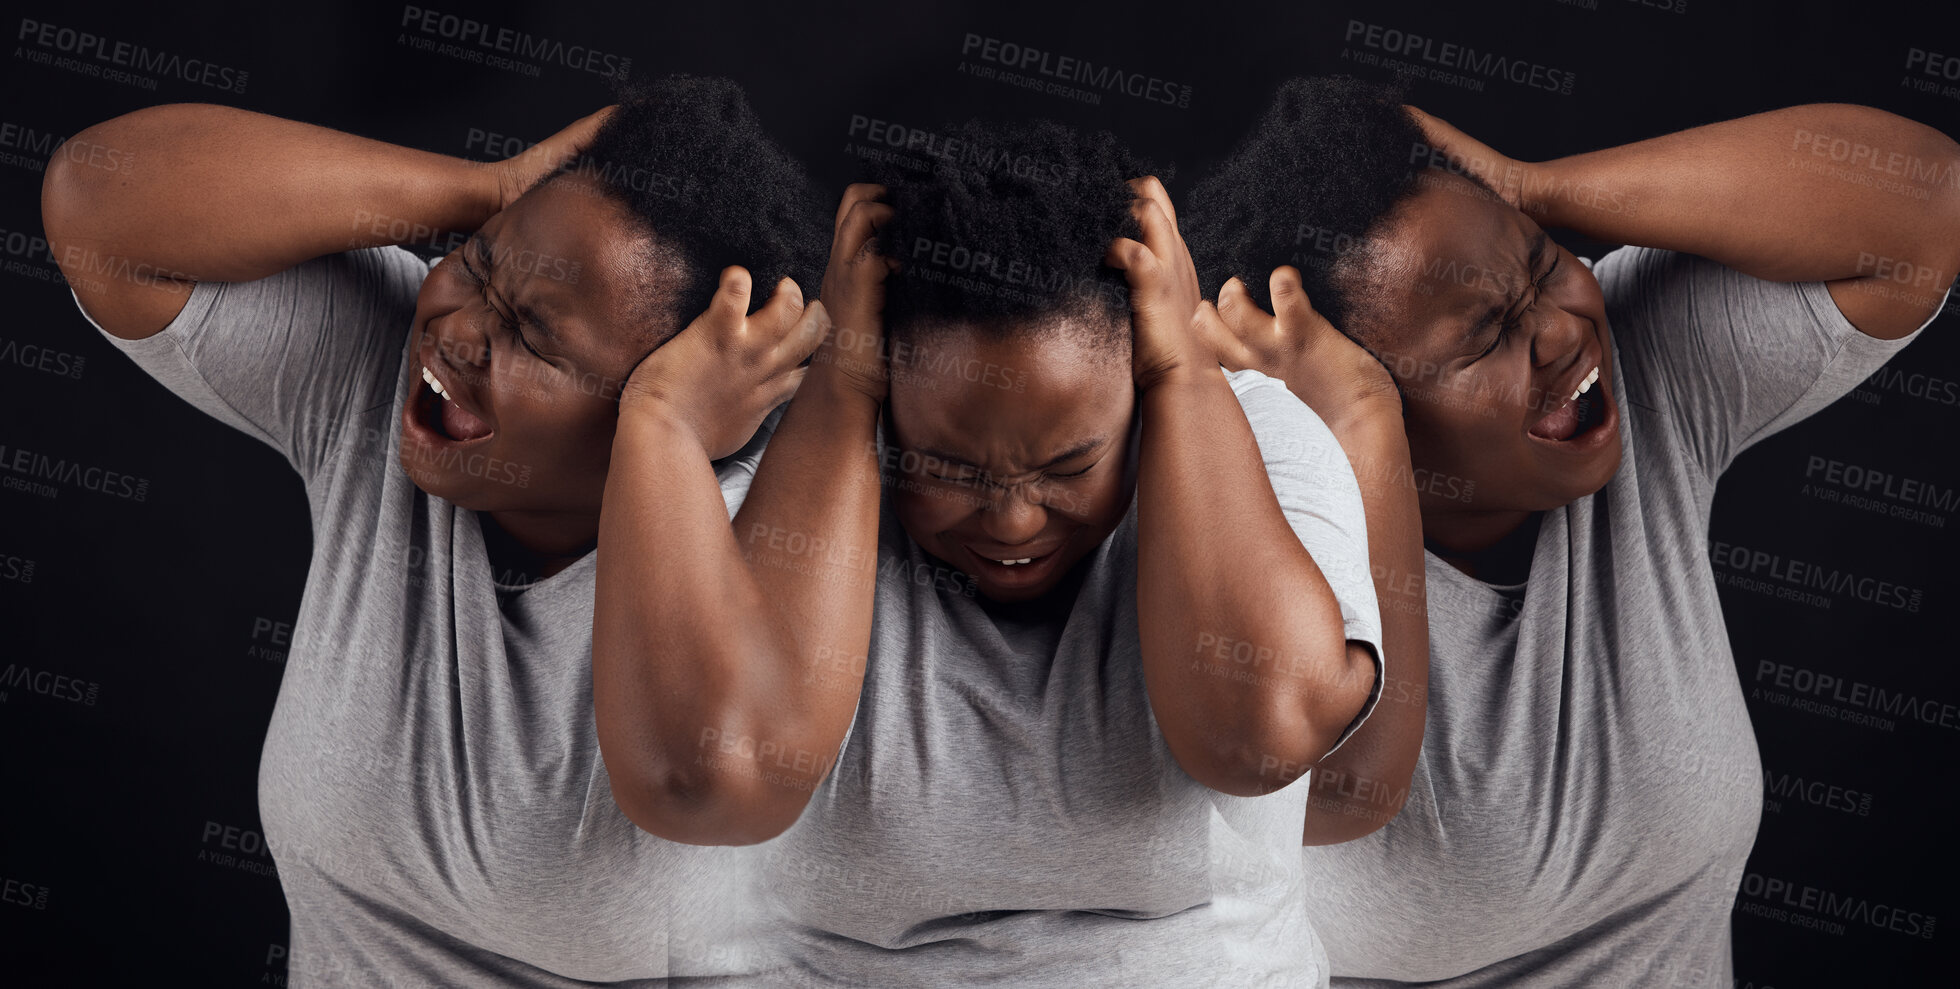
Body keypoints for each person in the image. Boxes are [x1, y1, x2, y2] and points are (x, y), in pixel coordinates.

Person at [1185, 76, 1960, 986]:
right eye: (1484, 337)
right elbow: (1342, 792)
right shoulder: (1260, 550)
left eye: (1543, 264)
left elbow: (1925, 206)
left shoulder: (1643, 382)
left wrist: (1527, 190)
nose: (1563, 330)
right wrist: (1361, 424)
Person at [42, 76, 826, 986]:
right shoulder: (380, 385)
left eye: (536, 336)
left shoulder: (774, 555)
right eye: (478, 266)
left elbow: (707, 775)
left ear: (700, 402)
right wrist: (488, 192)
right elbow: (95, 200)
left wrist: (664, 430)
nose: (457, 332)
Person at [590, 119, 1400, 987]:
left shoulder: (1258, 431)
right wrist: (841, 386)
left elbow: (1258, 733)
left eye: (1070, 465)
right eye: (946, 468)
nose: (1014, 523)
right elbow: (717, 777)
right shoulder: (790, 451)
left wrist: (1185, 377)